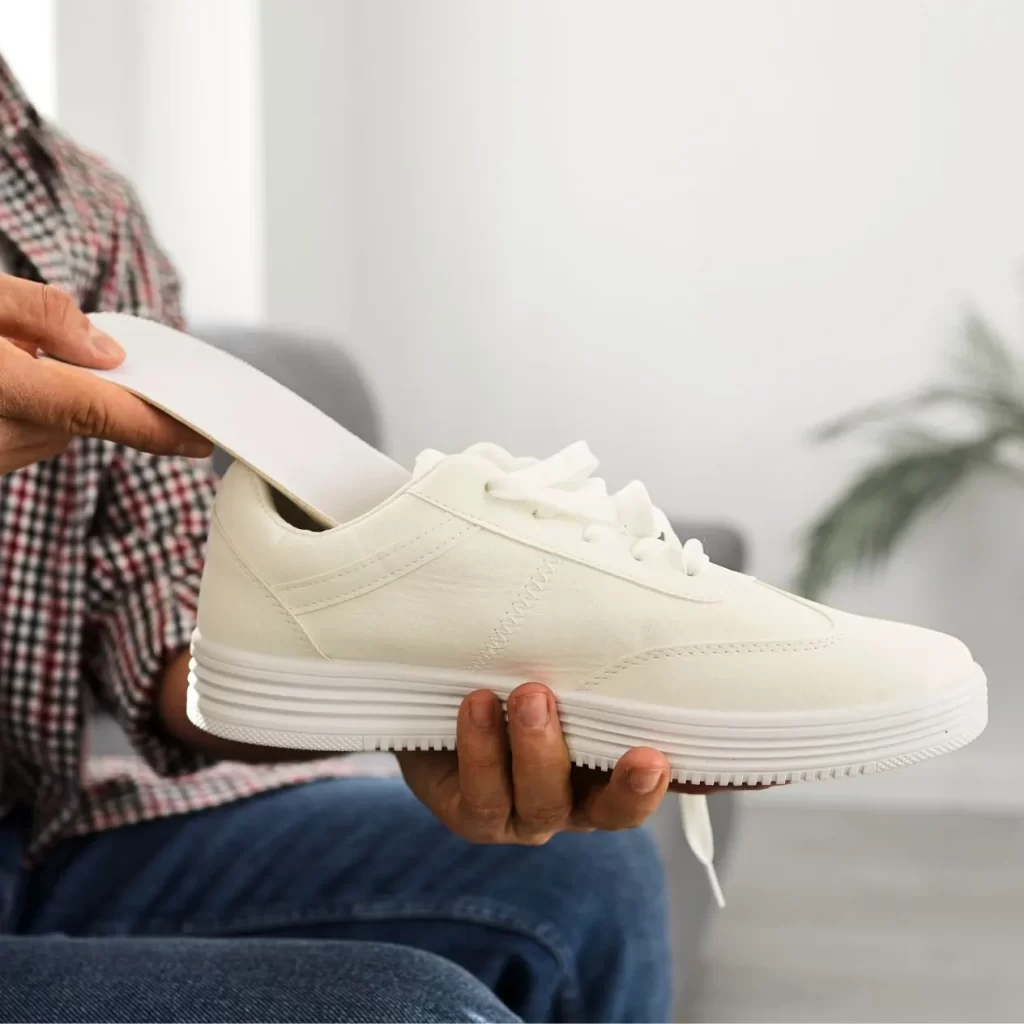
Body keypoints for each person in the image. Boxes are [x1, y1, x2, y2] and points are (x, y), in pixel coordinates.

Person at [0, 54, 673, 1023]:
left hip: (30, 845)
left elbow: (172, 642)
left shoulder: (81, 210)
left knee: (590, 877)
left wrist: (416, 692)